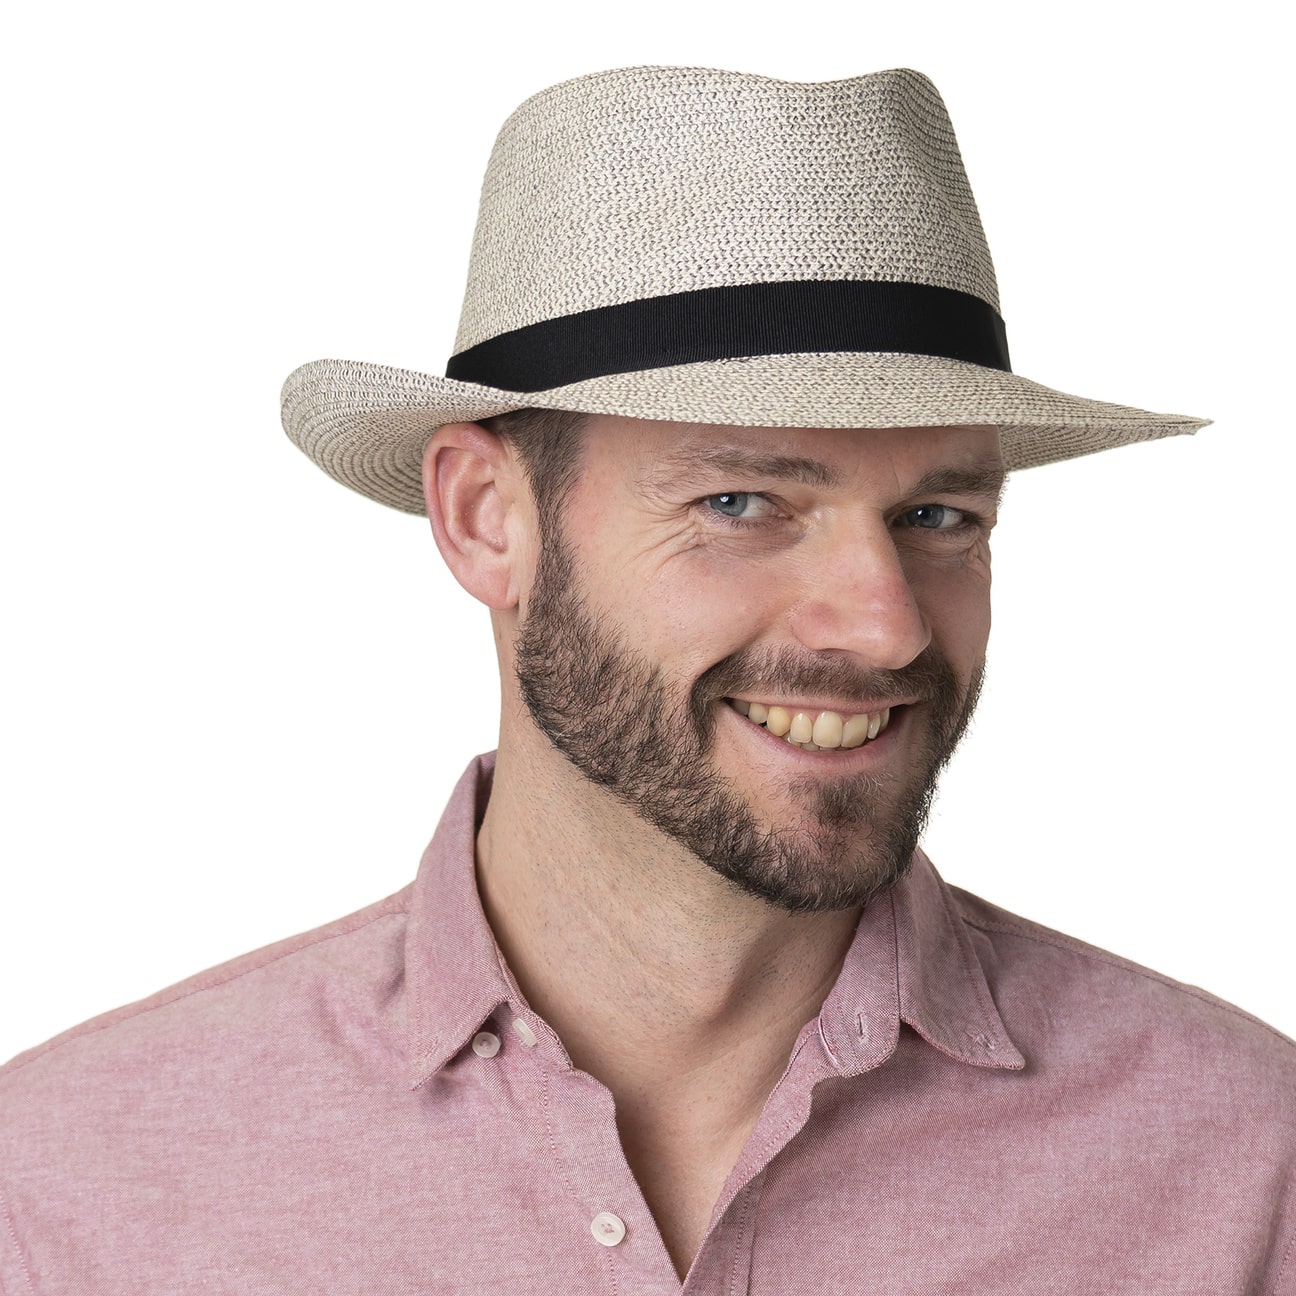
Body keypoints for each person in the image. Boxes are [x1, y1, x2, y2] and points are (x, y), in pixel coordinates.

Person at [1, 64, 1292, 1295]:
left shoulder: (1246, 1165)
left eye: (940, 516)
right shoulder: (74, 1191)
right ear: (486, 516)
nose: (885, 629)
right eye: (742, 502)